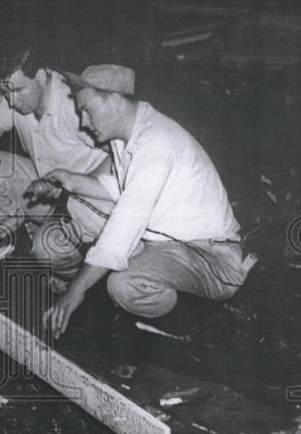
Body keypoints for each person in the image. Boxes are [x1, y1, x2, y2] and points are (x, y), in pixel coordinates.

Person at [31, 64, 255, 337]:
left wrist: (75, 291)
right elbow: (123, 191)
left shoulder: (156, 143)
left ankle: (195, 324)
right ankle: (138, 292)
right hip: (174, 243)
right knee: (83, 209)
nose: (84, 123)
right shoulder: (128, 135)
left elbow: (127, 219)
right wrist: (70, 180)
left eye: (88, 111)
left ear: (114, 100)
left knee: (123, 283)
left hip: (213, 260)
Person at [0, 46, 110, 251]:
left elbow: (118, 155)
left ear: (40, 75)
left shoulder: (73, 104)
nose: (11, 100)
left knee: (47, 249)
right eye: (5, 92)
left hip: (89, 200)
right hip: (45, 188)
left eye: (18, 90)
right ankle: (10, 248)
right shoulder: (13, 96)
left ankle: (67, 264)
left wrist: (77, 186)